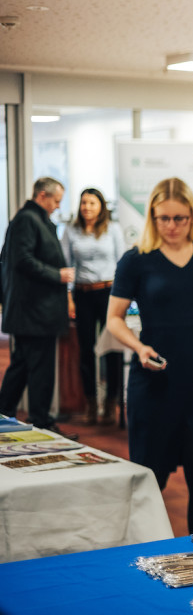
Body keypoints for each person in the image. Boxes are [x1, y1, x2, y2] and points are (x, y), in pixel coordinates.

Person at [106, 177, 193, 534]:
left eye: (180, 218)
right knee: (150, 479)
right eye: (164, 218)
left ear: (192, 216)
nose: (172, 226)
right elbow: (114, 319)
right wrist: (139, 346)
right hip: (153, 380)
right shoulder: (136, 259)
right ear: (152, 217)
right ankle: (144, 557)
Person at [0, 177, 77, 439]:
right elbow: (22, 260)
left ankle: (5, 414)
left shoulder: (33, 220)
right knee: (38, 370)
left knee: (22, 366)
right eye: (56, 201)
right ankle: (41, 422)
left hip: (34, 311)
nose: (57, 206)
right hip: (34, 312)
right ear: (42, 195)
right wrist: (58, 275)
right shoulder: (27, 220)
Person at [61, 188, 125, 425]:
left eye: (92, 203)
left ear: (101, 206)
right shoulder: (71, 230)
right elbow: (66, 265)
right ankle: (91, 402)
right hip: (82, 293)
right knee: (86, 349)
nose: (87, 207)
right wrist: (68, 298)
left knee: (112, 348)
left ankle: (111, 403)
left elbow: (122, 263)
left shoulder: (113, 229)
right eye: (84, 203)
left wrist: (123, 297)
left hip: (109, 292)